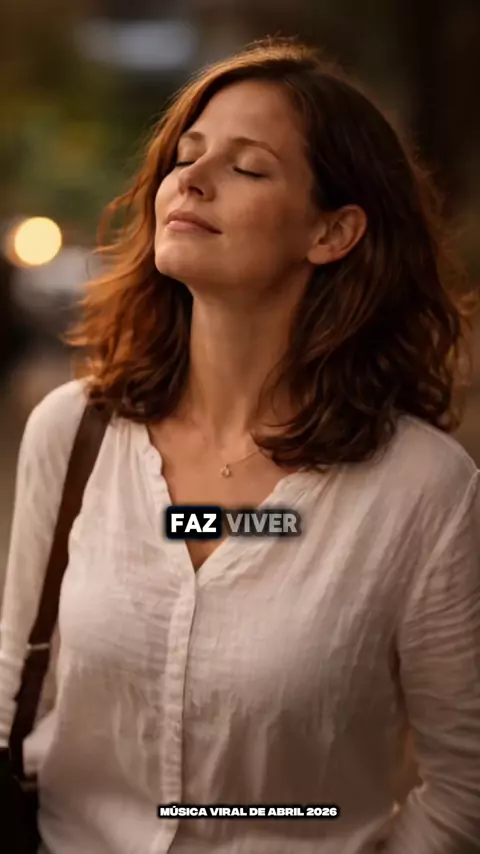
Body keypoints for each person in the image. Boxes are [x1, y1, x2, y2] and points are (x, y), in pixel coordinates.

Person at [1, 35, 479, 854]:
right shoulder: (73, 433)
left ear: (332, 232)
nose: (190, 180)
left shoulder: (424, 492)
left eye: (248, 167)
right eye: (186, 156)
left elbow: (465, 785)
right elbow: (15, 688)